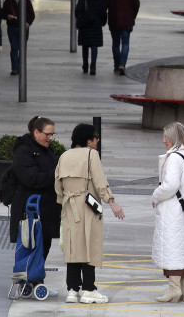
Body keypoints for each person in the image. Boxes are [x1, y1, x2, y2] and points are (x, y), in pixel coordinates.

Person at [55, 123, 125, 304]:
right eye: (95, 137)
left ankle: (72, 290)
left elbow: (58, 185)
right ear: (88, 140)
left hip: (69, 206)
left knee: (72, 248)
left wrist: (64, 201)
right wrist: (112, 202)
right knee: (89, 246)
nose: (97, 140)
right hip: (88, 205)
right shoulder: (91, 155)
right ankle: (89, 289)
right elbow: (100, 182)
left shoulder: (64, 156)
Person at [10, 116, 62, 296]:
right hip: (30, 210)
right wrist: (55, 174)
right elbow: (30, 178)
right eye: (47, 134)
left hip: (46, 209)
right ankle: (29, 281)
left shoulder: (47, 150)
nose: (50, 138)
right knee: (30, 245)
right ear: (36, 132)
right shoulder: (24, 151)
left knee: (43, 246)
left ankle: (35, 281)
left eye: (52, 135)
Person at [151, 122, 184, 303]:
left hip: (173, 211)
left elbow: (170, 186)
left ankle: (173, 290)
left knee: (172, 248)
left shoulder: (174, 158)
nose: (163, 140)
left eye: (166, 137)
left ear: (174, 138)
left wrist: (155, 195)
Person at [104, 0, 140, 75]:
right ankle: (122, 64)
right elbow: (136, 4)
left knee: (115, 43)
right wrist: (133, 15)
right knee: (125, 43)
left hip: (114, 19)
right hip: (127, 20)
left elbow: (104, 3)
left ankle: (116, 65)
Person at [1, 0, 35, 76]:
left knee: (22, 48)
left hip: (23, 28)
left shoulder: (26, 1)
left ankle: (20, 66)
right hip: (12, 28)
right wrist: (8, 16)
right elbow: (2, 14)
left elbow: (31, 15)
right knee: (14, 47)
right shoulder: (8, 2)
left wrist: (28, 23)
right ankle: (15, 68)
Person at [75, 0, 108, 75]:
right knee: (94, 46)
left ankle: (85, 65)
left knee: (85, 46)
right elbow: (103, 11)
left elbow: (77, 11)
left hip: (85, 25)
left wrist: (80, 17)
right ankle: (93, 65)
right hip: (96, 25)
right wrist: (102, 22)